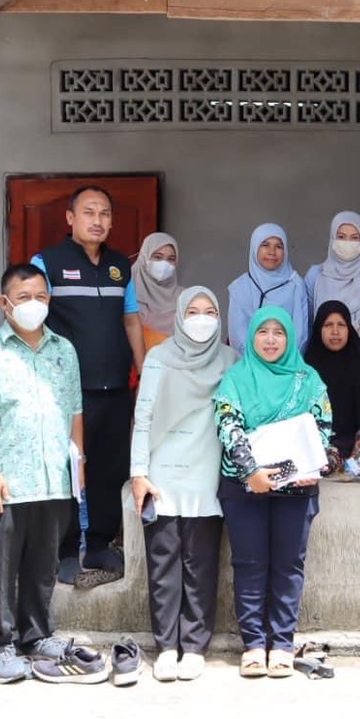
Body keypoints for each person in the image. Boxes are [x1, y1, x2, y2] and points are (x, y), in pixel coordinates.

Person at [0, 265, 85, 684]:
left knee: (43, 562)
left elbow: (74, 410)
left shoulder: (63, 349)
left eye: (40, 296)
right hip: (7, 480)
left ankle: (37, 635)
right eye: (24, 297)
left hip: (54, 475)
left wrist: (78, 464)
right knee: (0, 566)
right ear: (5, 303)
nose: (33, 304)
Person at [31, 185, 142, 587]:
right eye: (89, 212)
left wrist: (142, 371)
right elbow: (32, 318)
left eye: (105, 213)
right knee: (67, 467)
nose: (98, 221)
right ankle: (63, 549)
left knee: (111, 469)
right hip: (66, 390)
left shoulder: (119, 267)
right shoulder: (47, 262)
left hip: (114, 385)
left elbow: (130, 319)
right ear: (70, 218)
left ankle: (98, 543)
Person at [214, 308, 333, 678]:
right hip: (245, 486)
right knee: (249, 564)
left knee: (287, 565)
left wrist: (309, 468)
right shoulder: (236, 378)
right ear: (250, 337)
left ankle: (281, 643)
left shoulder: (308, 379)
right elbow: (227, 424)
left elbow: (323, 428)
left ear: (290, 338)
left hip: (296, 488)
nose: (269, 339)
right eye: (262, 332)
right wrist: (253, 472)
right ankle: (253, 644)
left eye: (278, 332)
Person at [130, 287, 238, 683]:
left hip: (207, 475)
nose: (202, 318)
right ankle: (167, 646)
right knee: (163, 567)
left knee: (201, 565)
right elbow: (143, 417)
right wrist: (139, 471)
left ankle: (193, 646)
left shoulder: (230, 360)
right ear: (178, 315)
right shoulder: (159, 359)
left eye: (210, 311)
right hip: (163, 475)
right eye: (192, 311)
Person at [304, 299, 360, 457]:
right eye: (328, 325)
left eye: (341, 325)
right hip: (316, 443)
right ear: (319, 328)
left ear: (349, 328)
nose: (335, 331)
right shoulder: (308, 366)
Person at [304, 211, 360, 357]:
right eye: (341, 237)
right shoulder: (316, 275)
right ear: (332, 239)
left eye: (355, 238)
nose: (348, 243)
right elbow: (309, 322)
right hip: (321, 360)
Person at [228, 223, 310, 357]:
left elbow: (300, 335)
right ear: (254, 248)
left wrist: (282, 363)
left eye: (279, 246)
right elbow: (237, 337)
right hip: (249, 367)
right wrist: (258, 365)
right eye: (265, 245)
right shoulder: (240, 287)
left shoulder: (295, 285)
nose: (272, 252)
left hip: (286, 366)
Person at [132, 232, 185, 350]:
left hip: (175, 364)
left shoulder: (185, 298)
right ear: (144, 257)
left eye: (171, 259)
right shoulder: (127, 293)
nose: (164, 264)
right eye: (157, 257)